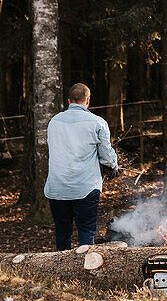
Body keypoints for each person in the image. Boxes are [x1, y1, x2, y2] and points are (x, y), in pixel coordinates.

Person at [44, 83, 119, 250]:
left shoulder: (54, 122)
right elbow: (106, 156)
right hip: (85, 187)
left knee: (62, 232)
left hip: (57, 188)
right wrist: (114, 165)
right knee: (86, 230)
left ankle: (61, 270)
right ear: (88, 101)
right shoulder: (98, 123)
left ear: (69, 100)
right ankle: (85, 272)